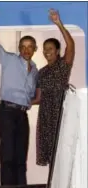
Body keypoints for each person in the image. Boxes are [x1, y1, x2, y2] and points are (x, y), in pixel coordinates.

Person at [0, 5, 38, 186]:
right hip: (6, 111)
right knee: (8, 155)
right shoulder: (10, 59)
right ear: (19, 48)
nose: (26, 50)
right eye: (23, 46)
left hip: (22, 114)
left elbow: (32, 97)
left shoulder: (35, 70)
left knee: (21, 156)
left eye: (30, 47)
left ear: (35, 49)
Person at [31, 9, 75, 166]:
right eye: (45, 49)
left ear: (57, 51)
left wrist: (58, 23)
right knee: (50, 158)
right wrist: (21, 102)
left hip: (60, 114)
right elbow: (38, 98)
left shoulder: (63, 66)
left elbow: (71, 44)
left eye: (50, 48)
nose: (46, 51)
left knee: (63, 154)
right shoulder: (41, 72)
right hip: (45, 117)